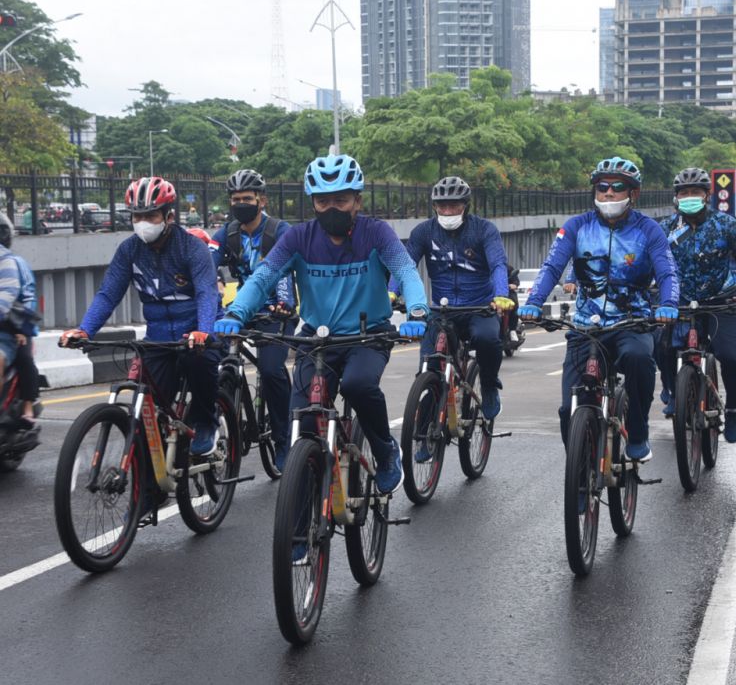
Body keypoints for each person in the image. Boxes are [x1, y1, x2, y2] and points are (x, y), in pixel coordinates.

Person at [214, 155, 429, 495]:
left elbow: (405, 270)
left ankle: (386, 451)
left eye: (341, 200)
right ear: (312, 201)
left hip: (367, 337)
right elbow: (264, 277)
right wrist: (235, 313)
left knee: (358, 385)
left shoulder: (376, 233)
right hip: (315, 342)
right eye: (323, 201)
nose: (332, 208)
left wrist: (417, 312)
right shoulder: (298, 238)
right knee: (303, 422)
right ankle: (300, 531)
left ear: (357, 200)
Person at [517, 156, 679, 462]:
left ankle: (638, 429)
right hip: (585, 326)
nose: (608, 193)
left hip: (632, 322)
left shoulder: (649, 230)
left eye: (617, 187)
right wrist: (534, 302)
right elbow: (553, 266)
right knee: (569, 409)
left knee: (638, 357)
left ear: (633, 194)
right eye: (602, 187)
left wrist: (668, 304)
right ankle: (579, 475)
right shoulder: (576, 227)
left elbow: (667, 272)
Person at [59, 177, 222, 454]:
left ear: (168, 216)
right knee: (148, 404)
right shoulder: (129, 250)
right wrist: (85, 329)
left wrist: (204, 330)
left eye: (151, 215)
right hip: (158, 337)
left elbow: (207, 293)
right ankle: (150, 484)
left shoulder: (191, 249)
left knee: (199, 363)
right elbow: (108, 294)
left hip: (197, 333)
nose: (143, 222)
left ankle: (207, 422)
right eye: (137, 216)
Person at [389, 176, 511, 423]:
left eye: (453, 205)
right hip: (442, 311)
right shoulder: (423, 232)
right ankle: (422, 431)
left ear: (465, 205)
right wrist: (392, 291)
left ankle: (488, 385)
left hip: (479, 307)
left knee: (488, 339)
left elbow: (498, 264)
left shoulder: (485, 230)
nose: (447, 211)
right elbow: (405, 266)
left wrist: (501, 294)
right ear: (434, 206)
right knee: (427, 367)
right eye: (441, 205)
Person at [658, 167, 736, 443]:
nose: (689, 197)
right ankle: (670, 389)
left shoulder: (726, 224)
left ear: (706, 195)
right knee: (660, 345)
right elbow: (649, 265)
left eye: (695, 192)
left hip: (720, 301)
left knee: (730, 357)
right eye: (684, 193)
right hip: (678, 302)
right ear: (676, 197)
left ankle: (734, 410)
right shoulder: (665, 229)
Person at [210, 169, 296, 471]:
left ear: (262, 200)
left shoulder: (280, 230)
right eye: (236, 199)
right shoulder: (227, 233)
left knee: (271, 370)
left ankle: (285, 439)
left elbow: (284, 268)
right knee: (209, 355)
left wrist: (284, 303)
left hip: (277, 310)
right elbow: (206, 264)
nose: (241, 203)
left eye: (247, 198)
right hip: (243, 309)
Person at [0, 215, 41, 424]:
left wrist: (22, 329)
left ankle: (27, 404)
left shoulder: (14, 263)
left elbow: (28, 297)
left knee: (25, 359)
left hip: (16, 326)